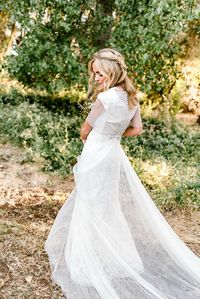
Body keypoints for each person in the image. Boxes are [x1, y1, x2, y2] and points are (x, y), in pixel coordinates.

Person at [45, 48, 200, 299]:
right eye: (94, 73)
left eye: (99, 73)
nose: (95, 78)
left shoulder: (104, 99)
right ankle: (118, 256)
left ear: (112, 71)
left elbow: (85, 130)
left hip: (96, 152)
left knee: (90, 203)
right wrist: (114, 136)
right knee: (107, 204)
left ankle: (87, 263)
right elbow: (137, 129)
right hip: (112, 154)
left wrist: (97, 139)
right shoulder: (132, 99)